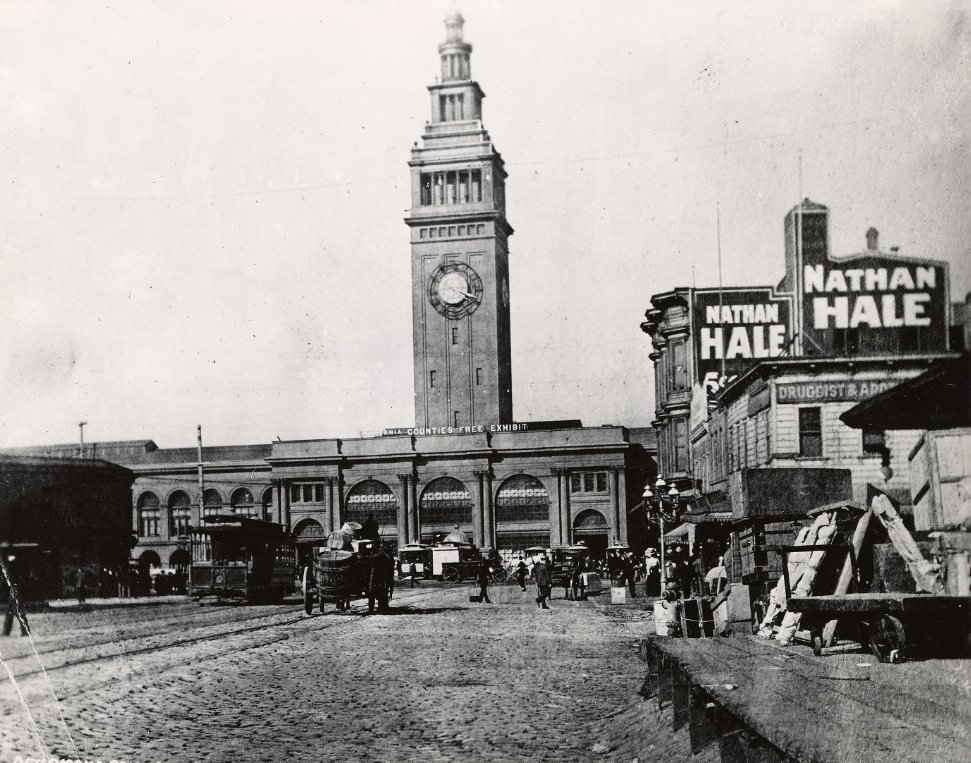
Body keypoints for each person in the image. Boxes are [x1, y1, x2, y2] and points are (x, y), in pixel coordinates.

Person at [2, 556, 29, 637]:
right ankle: (7, 631)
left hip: (15, 588)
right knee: (10, 610)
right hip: (15, 588)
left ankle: (25, 631)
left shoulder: (10, 563)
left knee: (18, 609)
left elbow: (8, 577)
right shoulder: (15, 561)